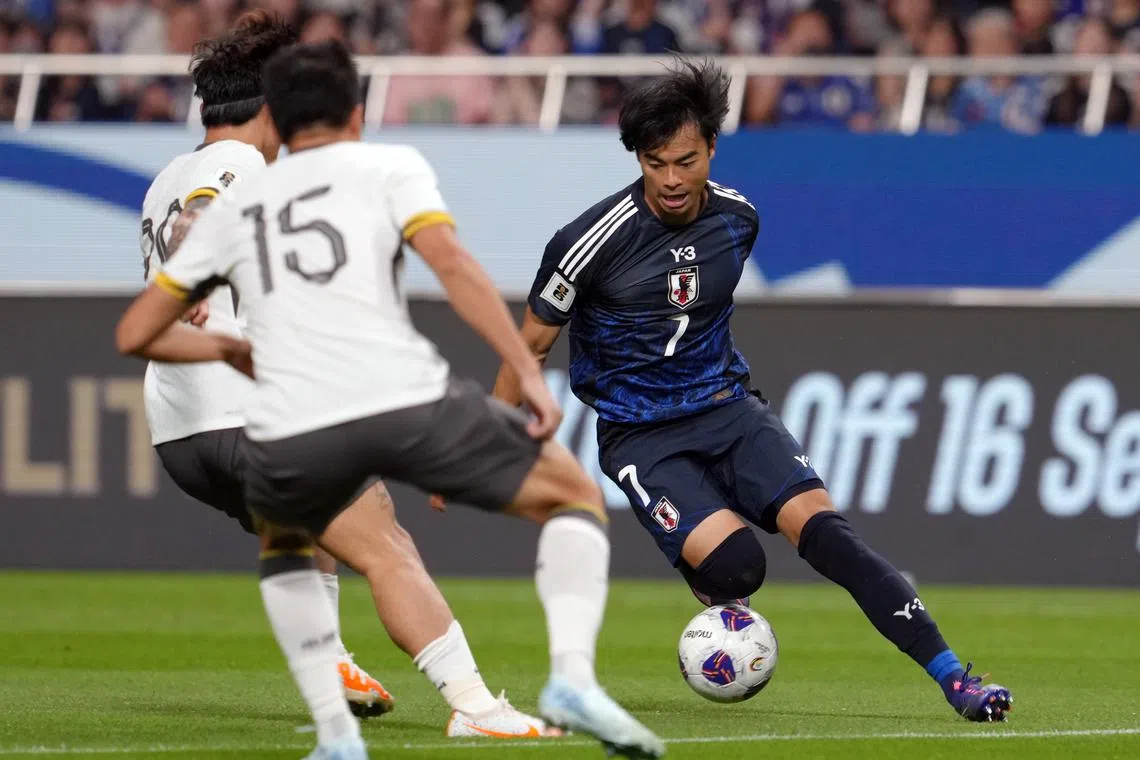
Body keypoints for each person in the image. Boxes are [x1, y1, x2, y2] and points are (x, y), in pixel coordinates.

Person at [115, 39, 665, 760]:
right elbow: (207, 209)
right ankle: (474, 703)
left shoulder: (165, 176)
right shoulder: (248, 166)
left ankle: (333, 675)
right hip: (267, 408)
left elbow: (143, 312)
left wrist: (207, 313)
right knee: (389, 545)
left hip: (180, 431)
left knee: (296, 532)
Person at [493, 58, 1014, 724]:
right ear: (638, 160)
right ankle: (701, 569)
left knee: (831, 537)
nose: (673, 180)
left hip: (730, 410)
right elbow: (529, 344)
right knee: (739, 571)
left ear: (712, 147)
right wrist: (483, 442)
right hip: (642, 436)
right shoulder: (587, 244)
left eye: (686, 160)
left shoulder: (739, 220)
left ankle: (955, 679)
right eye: (655, 164)